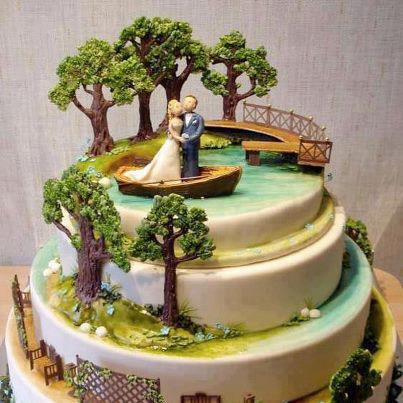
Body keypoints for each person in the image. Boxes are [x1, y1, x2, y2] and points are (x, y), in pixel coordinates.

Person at [124, 100, 184, 182]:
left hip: (176, 142)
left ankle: (174, 175)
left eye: (181, 106)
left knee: (174, 159)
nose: (180, 108)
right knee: (169, 157)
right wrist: (179, 138)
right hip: (172, 142)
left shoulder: (180, 119)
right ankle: (165, 176)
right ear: (172, 110)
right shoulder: (172, 121)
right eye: (177, 107)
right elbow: (172, 132)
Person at [181, 95, 205, 178]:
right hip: (183, 144)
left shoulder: (198, 118)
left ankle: (192, 176)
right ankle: (184, 176)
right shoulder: (181, 117)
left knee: (192, 161)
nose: (186, 103)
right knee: (184, 160)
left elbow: (199, 132)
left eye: (189, 102)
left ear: (194, 105)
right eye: (185, 101)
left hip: (193, 144)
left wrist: (189, 138)